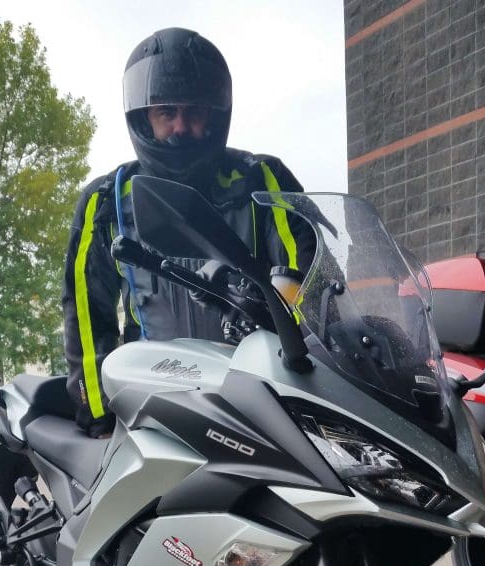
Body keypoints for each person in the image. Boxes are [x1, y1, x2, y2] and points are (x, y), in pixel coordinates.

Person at [62, 27, 315, 437]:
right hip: (149, 407)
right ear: (144, 117)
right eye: (167, 113)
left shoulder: (261, 179)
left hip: (257, 403)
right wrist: (99, 417)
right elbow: (87, 313)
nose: (182, 126)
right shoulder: (107, 198)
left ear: (214, 115)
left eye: (195, 112)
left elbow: (309, 280)